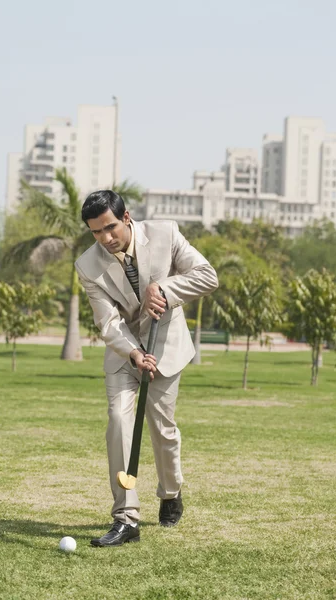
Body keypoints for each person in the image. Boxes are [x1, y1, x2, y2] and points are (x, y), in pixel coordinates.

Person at [75, 190, 218, 547]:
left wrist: (165, 289)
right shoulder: (87, 265)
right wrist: (134, 353)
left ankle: (171, 492)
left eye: (110, 228)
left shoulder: (166, 234)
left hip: (166, 345)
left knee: (162, 429)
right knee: (119, 422)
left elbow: (207, 275)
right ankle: (126, 519)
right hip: (125, 352)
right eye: (96, 232)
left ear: (127, 217)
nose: (105, 239)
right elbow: (107, 322)